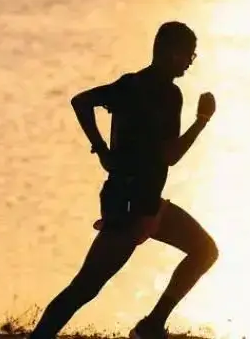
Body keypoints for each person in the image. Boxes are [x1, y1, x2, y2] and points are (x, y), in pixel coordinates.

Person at [27, 21, 219, 339]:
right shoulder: (169, 94)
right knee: (84, 287)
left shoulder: (129, 84)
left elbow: (81, 101)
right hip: (132, 208)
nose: (190, 61)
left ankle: (152, 326)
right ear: (172, 53)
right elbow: (170, 155)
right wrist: (202, 121)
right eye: (189, 54)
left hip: (141, 201)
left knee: (204, 249)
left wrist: (102, 149)